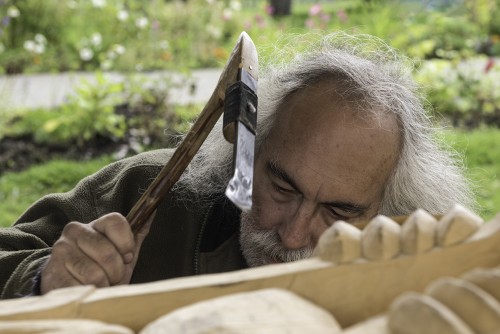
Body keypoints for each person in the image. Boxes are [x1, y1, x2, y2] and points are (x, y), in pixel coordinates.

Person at [0, 33, 475, 299]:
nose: (291, 237)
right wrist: (44, 280)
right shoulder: (145, 194)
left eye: (338, 211)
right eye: (282, 186)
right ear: (248, 149)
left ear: (390, 212)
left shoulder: (412, 280)